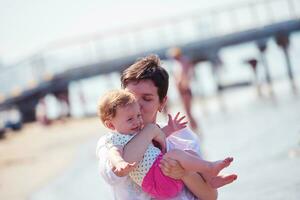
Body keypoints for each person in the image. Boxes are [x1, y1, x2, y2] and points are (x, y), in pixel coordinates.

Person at [96, 55, 232, 200]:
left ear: (162, 102)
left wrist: (185, 173)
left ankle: (212, 174)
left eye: (147, 99)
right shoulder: (110, 142)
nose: (137, 106)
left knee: (189, 154)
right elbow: (112, 176)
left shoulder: (182, 136)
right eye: (130, 99)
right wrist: (149, 131)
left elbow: (210, 197)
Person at [168, 47, 198, 131]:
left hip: (184, 89)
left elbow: (185, 75)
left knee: (188, 111)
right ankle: (194, 128)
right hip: (183, 89)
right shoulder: (180, 63)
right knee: (187, 111)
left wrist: (182, 84)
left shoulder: (183, 62)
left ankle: (194, 129)